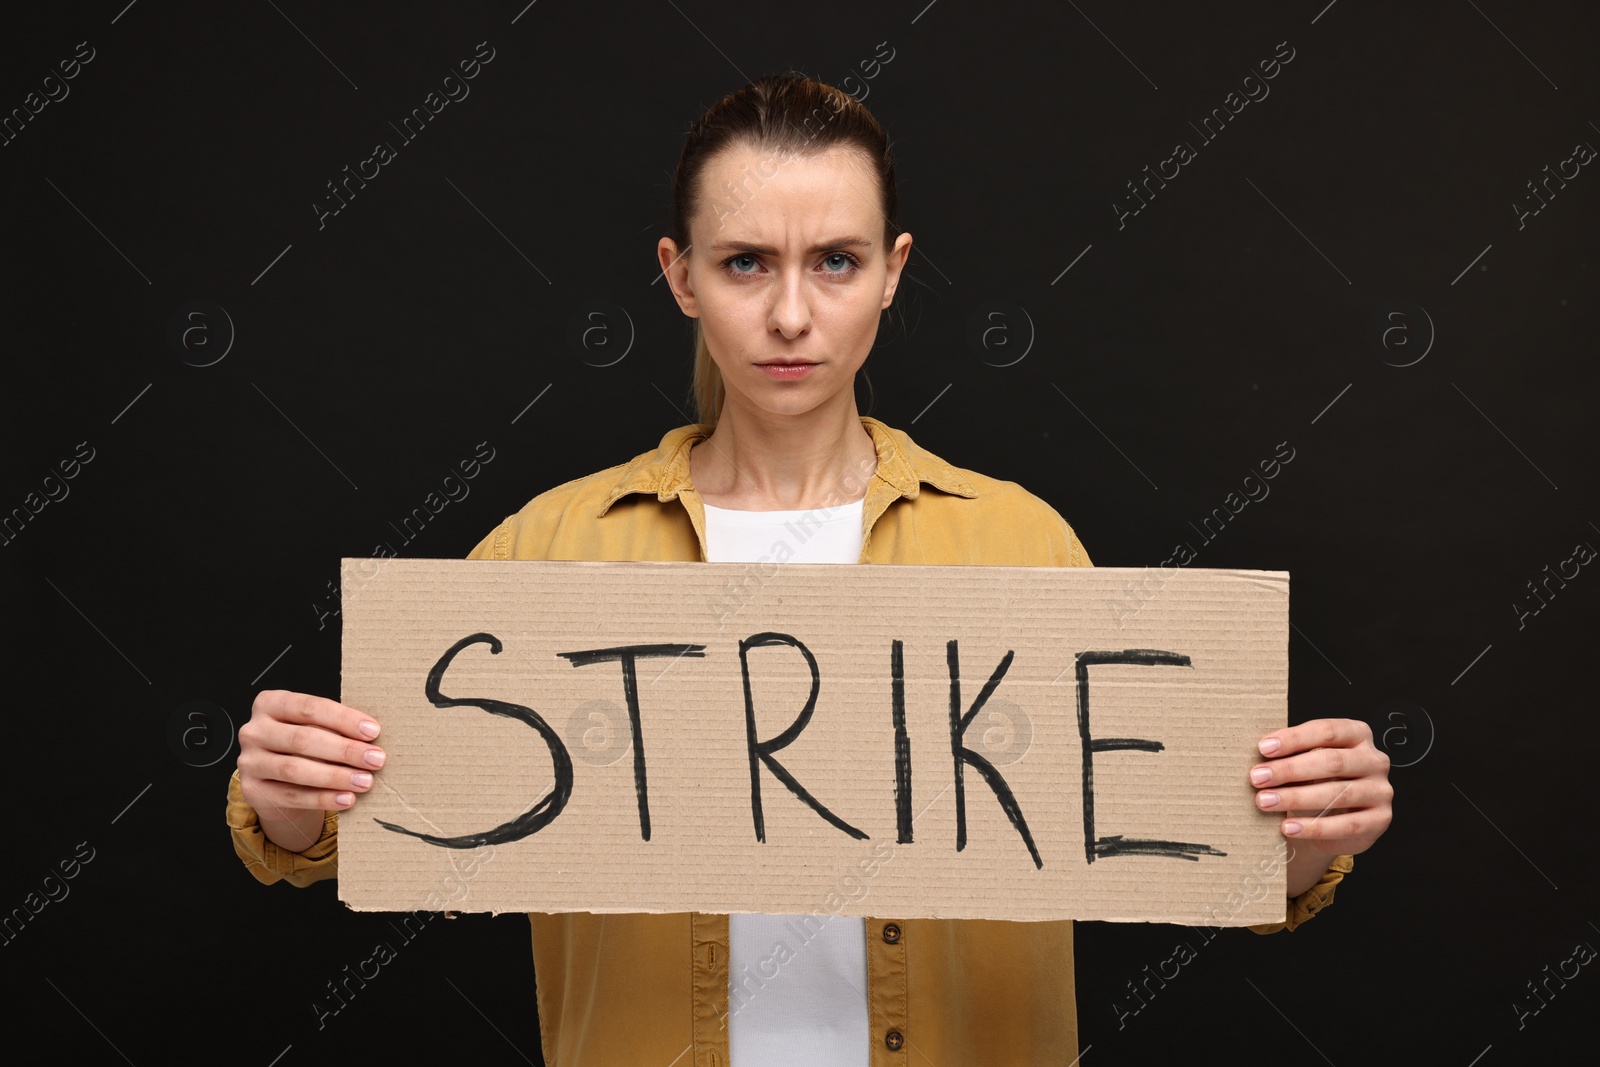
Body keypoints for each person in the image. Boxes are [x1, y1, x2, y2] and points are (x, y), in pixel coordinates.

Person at [226, 72, 1392, 1066]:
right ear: (681, 278)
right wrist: (289, 799)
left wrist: (1300, 835)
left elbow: (1162, 837)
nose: (792, 313)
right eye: (745, 263)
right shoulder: (548, 549)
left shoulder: (1021, 544)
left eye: (834, 261)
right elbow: (364, 817)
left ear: (892, 271)